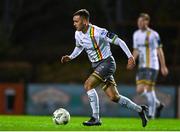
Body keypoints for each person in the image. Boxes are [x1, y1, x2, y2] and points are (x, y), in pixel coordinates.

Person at [61, 9, 148, 127]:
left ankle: (95, 118)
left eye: (77, 21)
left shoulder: (99, 32)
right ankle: (140, 110)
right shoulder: (78, 33)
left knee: (88, 85)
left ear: (85, 21)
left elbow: (120, 41)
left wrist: (130, 57)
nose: (74, 24)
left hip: (107, 63)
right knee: (114, 97)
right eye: (74, 21)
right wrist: (71, 57)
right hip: (97, 65)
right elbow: (79, 47)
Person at [132, 13, 168, 119]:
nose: (139, 23)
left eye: (142, 21)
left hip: (152, 65)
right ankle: (158, 104)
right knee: (139, 90)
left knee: (148, 89)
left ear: (147, 22)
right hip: (142, 66)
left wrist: (163, 66)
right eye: (138, 21)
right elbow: (136, 50)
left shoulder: (153, 34)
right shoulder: (136, 34)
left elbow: (159, 50)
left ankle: (151, 115)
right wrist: (132, 60)